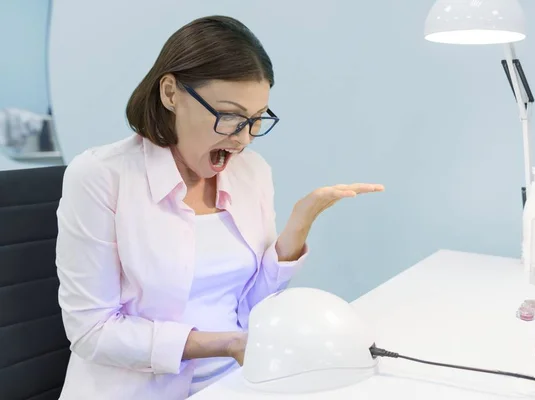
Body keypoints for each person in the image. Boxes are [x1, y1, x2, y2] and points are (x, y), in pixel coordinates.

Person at [55, 15, 384, 400]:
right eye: (229, 116)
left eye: (256, 120)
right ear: (171, 93)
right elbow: (91, 331)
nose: (244, 139)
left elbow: (252, 309)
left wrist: (298, 226)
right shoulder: (100, 177)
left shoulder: (252, 173)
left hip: (235, 384)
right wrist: (224, 344)